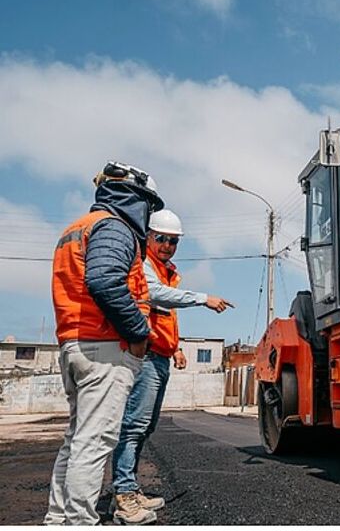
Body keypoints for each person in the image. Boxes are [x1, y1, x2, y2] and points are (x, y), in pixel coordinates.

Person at [45, 162, 164, 526]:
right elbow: (106, 282)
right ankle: (80, 521)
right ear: (136, 198)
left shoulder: (77, 228)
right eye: (149, 207)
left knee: (76, 440)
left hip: (76, 343)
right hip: (104, 348)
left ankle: (58, 519)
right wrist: (139, 333)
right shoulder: (115, 227)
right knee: (93, 444)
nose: (147, 216)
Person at [110, 208, 232, 524]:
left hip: (161, 356)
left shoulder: (166, 270)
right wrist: (202, 298)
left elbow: (164, 314)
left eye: (173, 241)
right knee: (133, 425)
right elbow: (153, 294)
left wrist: (175, 348)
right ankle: (123, 496)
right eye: (161, 238)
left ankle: (129, 489)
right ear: (148, 237)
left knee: (145, 426)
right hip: (146, 356)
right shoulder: (144, 266)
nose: (167, 245)